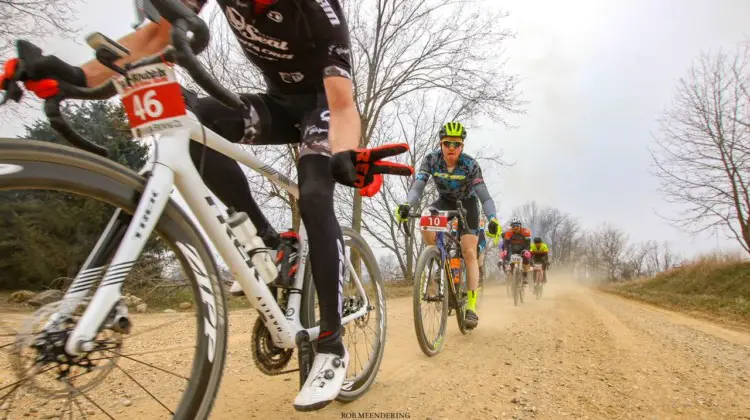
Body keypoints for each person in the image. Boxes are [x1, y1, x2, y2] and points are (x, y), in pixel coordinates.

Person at [1, 0, 413, 411]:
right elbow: (153, 35)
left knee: (315, 196)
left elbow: (342, 104)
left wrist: (344, 152)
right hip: (275, 105)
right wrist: (74, 77)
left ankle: (331, 345)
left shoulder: (318, 12)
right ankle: (267, 244)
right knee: (187, 114)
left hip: (323, 108)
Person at [395, 122, 501, 330]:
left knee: (469, 251)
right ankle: (437, 259)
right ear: (441, 144)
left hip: (468, 204)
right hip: (444, 201)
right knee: (426, 218)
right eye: (447, 143)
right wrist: (408, 204)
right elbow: (418, 186)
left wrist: (492, 218)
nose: (451, 147)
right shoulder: (431, 160)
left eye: (456, 144)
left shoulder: (470, 165)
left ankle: (471, 307)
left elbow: (484, 196)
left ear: (462, 146)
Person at [500, 217, 532, 284]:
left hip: (522, 248)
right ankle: (512, 276)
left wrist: (527, 250)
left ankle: (525, 276)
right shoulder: (508, 233)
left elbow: (528, 244)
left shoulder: (525, 232)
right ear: (511, 227)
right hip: (513, 249)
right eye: (513, 226)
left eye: (517, 225)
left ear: (520, 225)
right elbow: (506, 243)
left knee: (526, 259)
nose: (516, 227)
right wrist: (505, 250)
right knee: (509, 259)